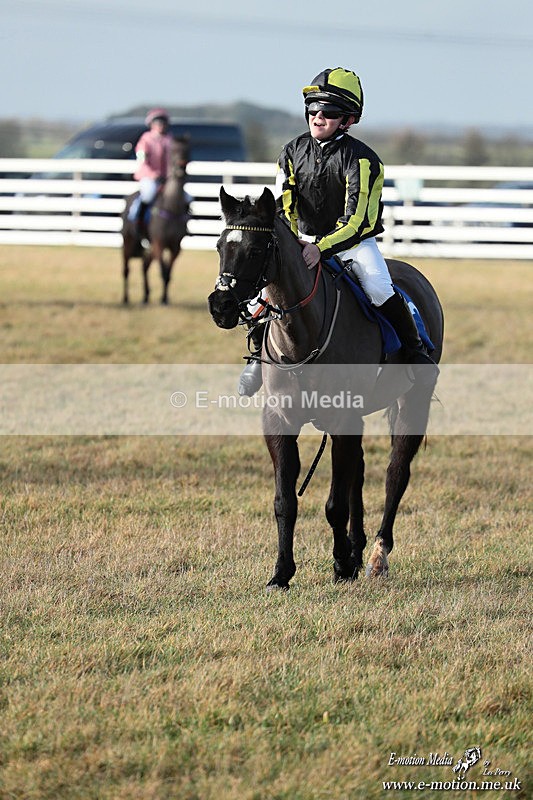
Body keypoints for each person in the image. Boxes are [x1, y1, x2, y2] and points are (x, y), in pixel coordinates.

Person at [238, 67, 439, 396]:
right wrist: (294, 241)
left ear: (349, 119)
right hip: (302, 240)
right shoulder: (290, 153)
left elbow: (358, 220)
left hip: (353, 246)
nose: (317, 116)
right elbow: (285, 205)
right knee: (265, 295)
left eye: (328, 111)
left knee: (378, 286)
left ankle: (416, 352)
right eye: (312, 108)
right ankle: (258, 357)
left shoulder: (364, 161)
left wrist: (321, 248)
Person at [130, 108, 175, 235]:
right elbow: (142, 162)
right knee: (149, 193)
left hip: (167, 178)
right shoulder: (145, 140)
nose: (161, 125)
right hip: (149, 177)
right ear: (152, 124)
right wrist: (154, 175)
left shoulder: (170, 140)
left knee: (185, 197)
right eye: (157, 122)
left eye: (163, 122)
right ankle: (137, 220)